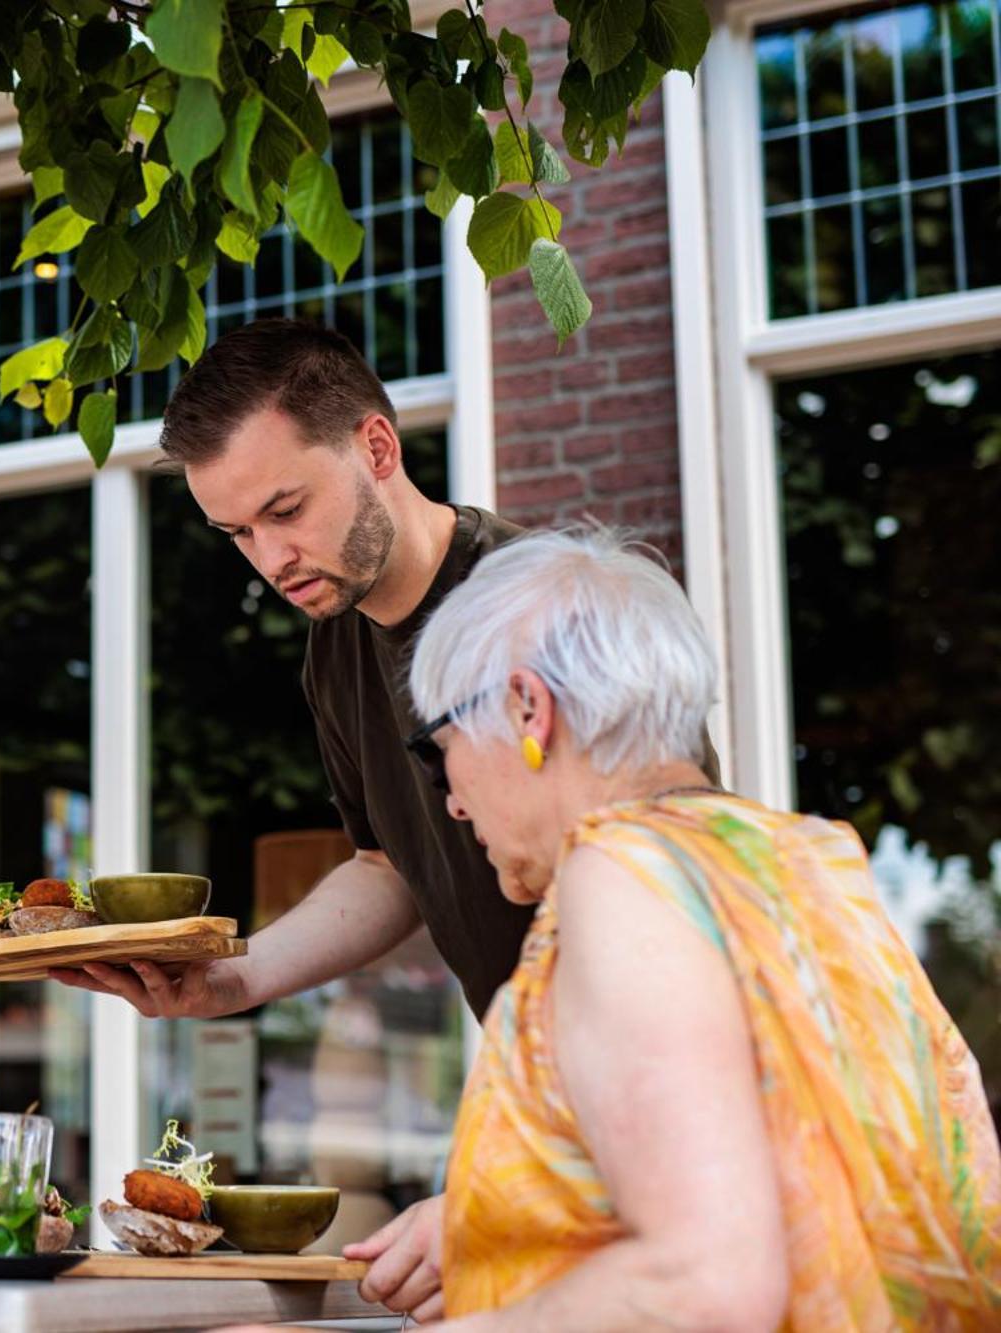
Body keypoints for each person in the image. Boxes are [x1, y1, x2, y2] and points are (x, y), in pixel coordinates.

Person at [52, 318, 717, 1313]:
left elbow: (687, 871)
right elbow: (390, 862)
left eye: (285, 508)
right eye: (236, 533)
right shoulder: (337, 646)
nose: (268, 559)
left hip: (653, 1122)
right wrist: (235, 980)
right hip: (555, 1124)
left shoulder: (537, 609)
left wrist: (506, 1193)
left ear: (374, 448)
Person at [396, 529, 1001, 1327]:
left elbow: (704, 1283)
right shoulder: (806, 863)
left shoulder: (622, 874)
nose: (453, 802)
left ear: (527, 707)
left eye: (441, 754)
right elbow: (810, 1176)